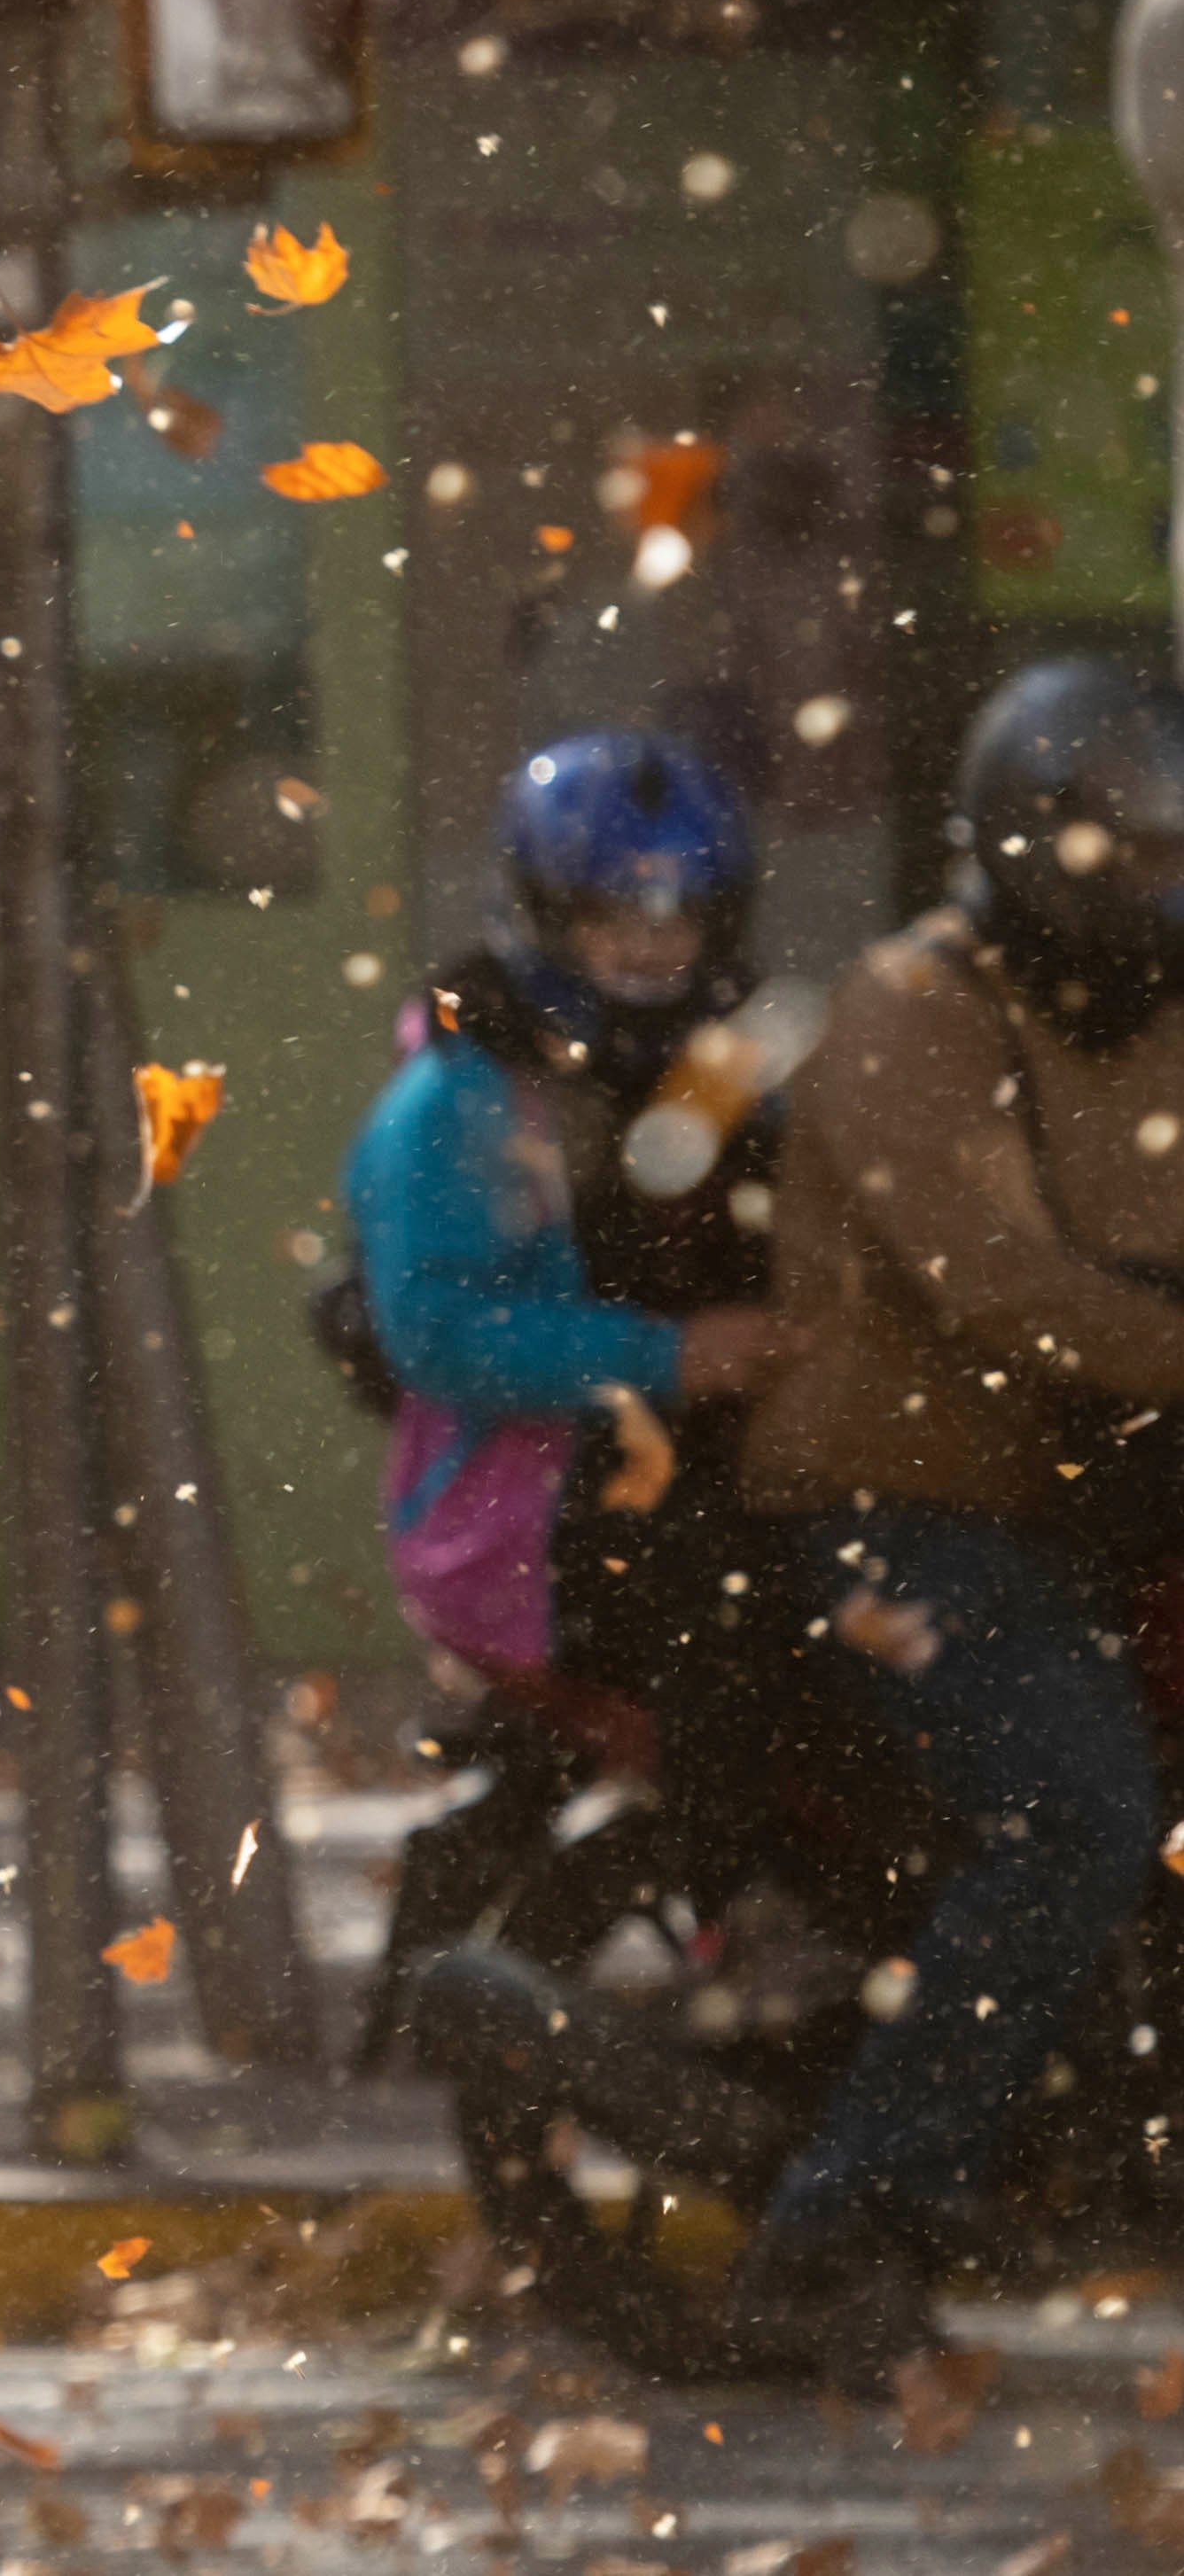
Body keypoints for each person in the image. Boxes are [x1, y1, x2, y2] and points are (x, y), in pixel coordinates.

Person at [726, 656, 1184, 2375]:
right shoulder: (906, 1004)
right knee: (1077, 1815)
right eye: (1128, 854)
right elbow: (1006, 1286)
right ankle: (831, 2226)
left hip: (1077, 1495)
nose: (1157, 886)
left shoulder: (1150, 1007)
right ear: (1033, 849)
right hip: (890, 1514)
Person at [339, 735, 807, 1947]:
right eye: (616, 910)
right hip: (522, 1511)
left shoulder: (721, 1066)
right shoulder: (462, 1092)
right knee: (743, 1607)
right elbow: (437, 1329)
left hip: (680, 1463)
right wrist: (674, 1355)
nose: (654, 939)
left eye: (683, 909)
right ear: (546, 910)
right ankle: (746, 1920)